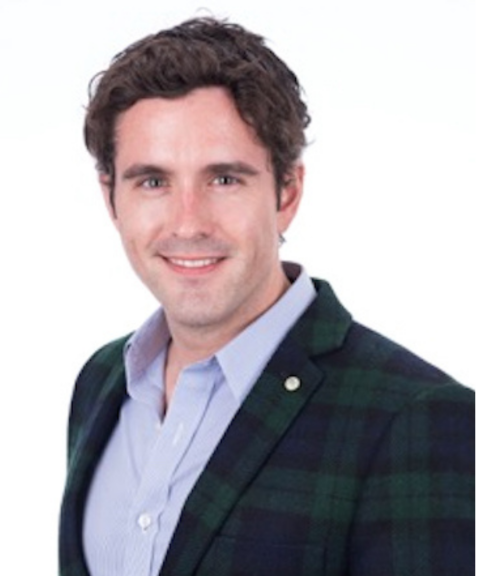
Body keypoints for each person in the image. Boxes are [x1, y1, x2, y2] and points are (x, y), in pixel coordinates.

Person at [59, 17, 474, 576]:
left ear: (287, 193)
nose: (188, 222)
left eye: (224, 179)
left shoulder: (415, 419)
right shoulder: (104, 381)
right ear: (112, 198)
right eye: (153, 181)